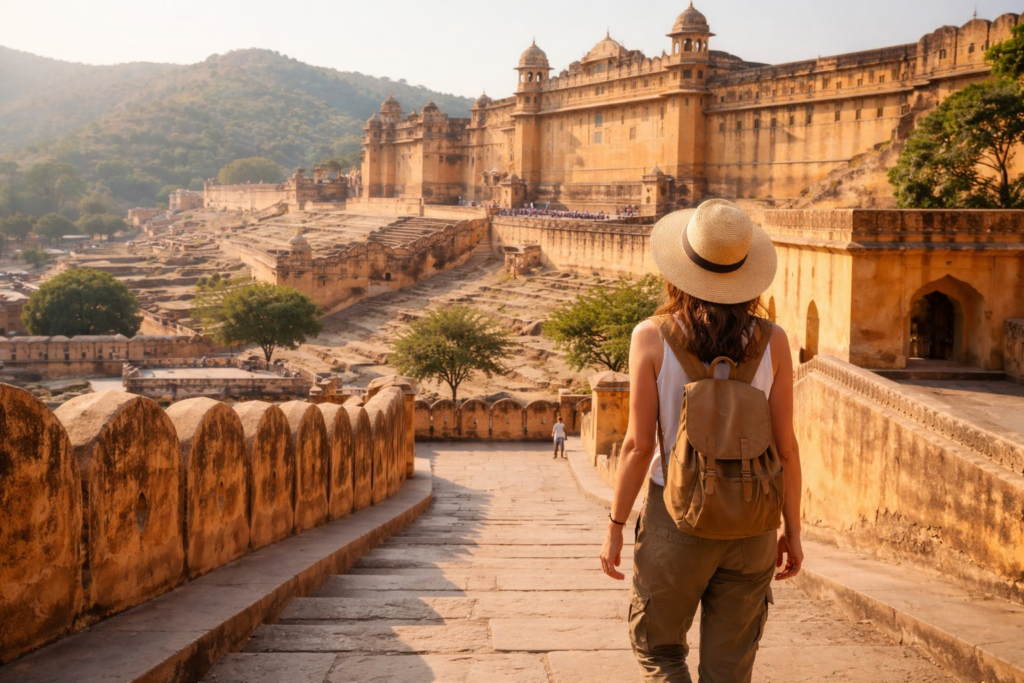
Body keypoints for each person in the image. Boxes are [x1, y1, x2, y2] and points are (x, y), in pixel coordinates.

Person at [600, 199, 803, 682]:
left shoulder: (651, 336)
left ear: (680, 269)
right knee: (730, 668)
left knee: (661, 651)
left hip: (675, 519)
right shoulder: (773, 341)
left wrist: (615, 524)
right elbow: (787, 448)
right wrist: (791, 531)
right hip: (753, 521)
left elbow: (637, 446)